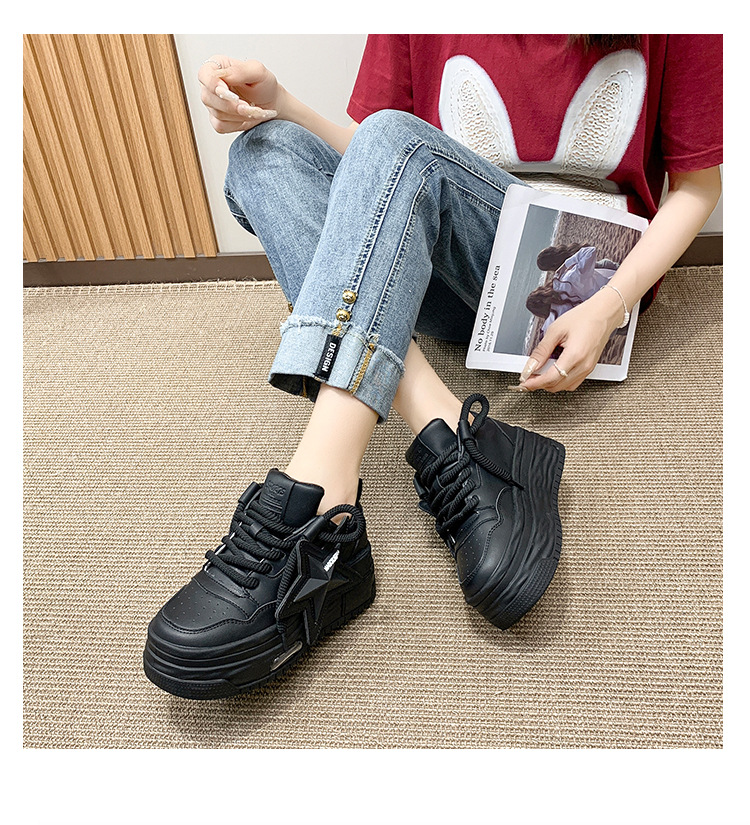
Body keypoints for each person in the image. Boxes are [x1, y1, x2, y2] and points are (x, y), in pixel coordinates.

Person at [143, 35, 722, 699]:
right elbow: (375, 163)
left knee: (397, 138)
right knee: (263, 153)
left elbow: (698, 187)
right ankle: (444, 427)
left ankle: (320, 500)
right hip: (444, 274)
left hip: (579, 283)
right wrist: (282, 104)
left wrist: (611, 303)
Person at [527, 244, 622, 335]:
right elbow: (590, 251)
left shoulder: (556, 321)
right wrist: (565, 266)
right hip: (612, 286)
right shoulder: (567, 279)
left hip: (608, 319)